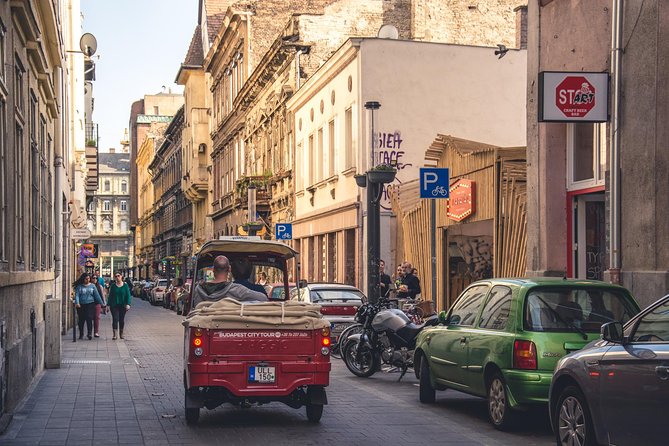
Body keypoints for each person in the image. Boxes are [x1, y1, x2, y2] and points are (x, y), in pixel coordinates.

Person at [190, 255, 267, 310]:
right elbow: (263, 298)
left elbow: (196, 310)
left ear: (213, 269)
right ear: (229, 269)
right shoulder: (236, 289)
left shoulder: (199, 289)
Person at [73, 273, 105, 340]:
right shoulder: (79, 286)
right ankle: (81, 333)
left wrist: (102, 304)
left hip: (90, 304)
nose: (88, 280)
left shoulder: (92, 286)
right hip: (81, 305)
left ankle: (89, 333)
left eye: (88, 278)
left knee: (89, 318)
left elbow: (97, 296)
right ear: (83, 279)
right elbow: (77, 295)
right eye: (86, 279)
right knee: (81, 320)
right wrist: (77, 302)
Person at [107, 272, 132, 340]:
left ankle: (121, 333)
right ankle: (115, 334)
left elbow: (128, 295)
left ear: (121, 276)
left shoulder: (125, 286)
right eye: (116, 276)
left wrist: (128, 304)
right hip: (114, 305)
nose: (117, 277)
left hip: (123, 305)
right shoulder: (113, 286)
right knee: (115, 319)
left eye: (118, 276)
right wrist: (108, 305)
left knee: (121, 320)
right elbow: (110, 296)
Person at [91, 273, 107, 338]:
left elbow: (102, 296)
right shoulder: (89, 286)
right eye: (93, 278)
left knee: (97, 317)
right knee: (89, 318)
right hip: (90, 304)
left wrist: (104, 304)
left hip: (97, 304)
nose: (94, 279)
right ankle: (89, 332)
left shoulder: (99, 286)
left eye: (96, 278)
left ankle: (96, 332)